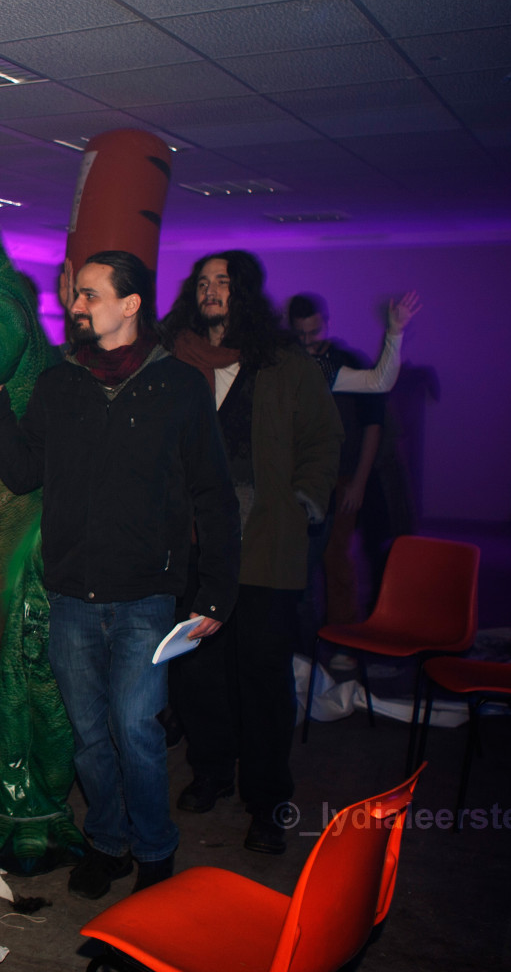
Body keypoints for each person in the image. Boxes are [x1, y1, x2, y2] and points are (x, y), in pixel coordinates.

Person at [0, 250, 240, 898]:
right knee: (90, 736)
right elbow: (22, 474)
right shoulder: (60, 384)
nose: (76, 306)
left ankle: (154, 851)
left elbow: (214, 494)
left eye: (90, 295)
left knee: (137, 731)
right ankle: (108, 842)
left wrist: (215, 593)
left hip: (147, 596)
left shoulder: (179, 385)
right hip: (71, 596)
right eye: (77, 295)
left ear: (130, 304)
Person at [163, 251, 341, 856]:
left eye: (224, 282)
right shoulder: (173, 361)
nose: (212, 291)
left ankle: (266, 800)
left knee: (262, 678)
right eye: (204, 282)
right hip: (193, 549)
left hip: (264, 546)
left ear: (245, 293)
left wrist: (303, 500)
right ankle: (212, 770)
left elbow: (324, 437)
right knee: (197, 672)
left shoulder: (284, 364)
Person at [288, 293, 421, 628]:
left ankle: (340, 633)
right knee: (296, 564)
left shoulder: (334, 363)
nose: (308, 342)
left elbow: (378, 390)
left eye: (314, 333)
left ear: (326, 324)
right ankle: (302, 639)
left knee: (336, 556)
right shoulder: (286, 362)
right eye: (301, 334)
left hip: (341, 476)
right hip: (298, 481)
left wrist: (395, 332)